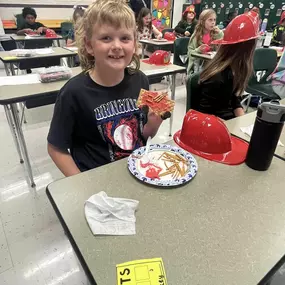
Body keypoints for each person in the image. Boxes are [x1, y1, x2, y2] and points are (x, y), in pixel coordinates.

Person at [47, 0, 164, 176]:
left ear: (134, 44)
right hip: (96, 179)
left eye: (124, 38)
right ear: (89, 45)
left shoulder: (140, 80)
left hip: (136, 171)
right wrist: (79, 182)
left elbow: (140, 136)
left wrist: (153, 124)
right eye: (106, 38)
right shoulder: (73, 93)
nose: (117, 46)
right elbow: (56, 148)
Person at [191, 11, 260, 120]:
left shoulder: (235, 70)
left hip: (228, 122)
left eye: (214, 20)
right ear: (247, 48)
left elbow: (235, 100)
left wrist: (243, 123)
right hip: (214, 127)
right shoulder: (217, 78)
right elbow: (204, 118)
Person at [187, 9, 223, 74]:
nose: (213, 22)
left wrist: (220, 34)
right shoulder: (195, 36)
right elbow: (189, 54)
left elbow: (224, 49)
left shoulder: (216, 34)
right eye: (210, 20)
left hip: (212, 66)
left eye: (214, 20)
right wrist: (198, 50)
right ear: (202, 21)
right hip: (197, 68)